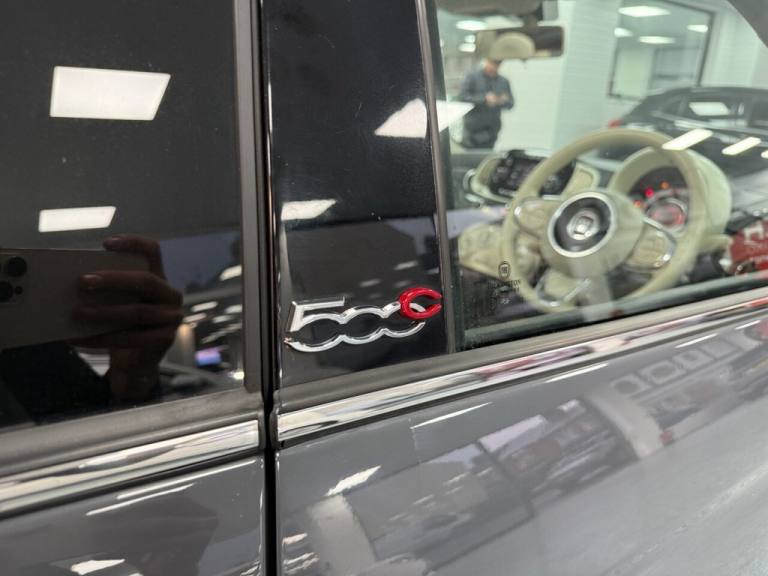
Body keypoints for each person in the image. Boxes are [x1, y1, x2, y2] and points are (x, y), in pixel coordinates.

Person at [459, 58, 514, 149]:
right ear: (486, 61)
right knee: (470, 155)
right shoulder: (472, 77)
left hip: (491, 131)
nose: (494, 67)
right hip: (472, 131)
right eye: (492, 63)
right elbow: (462, 98)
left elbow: (511, 104)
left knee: (487, 155)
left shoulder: (503, 81)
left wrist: (501, 101)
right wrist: (484, 99)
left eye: (497, 64)